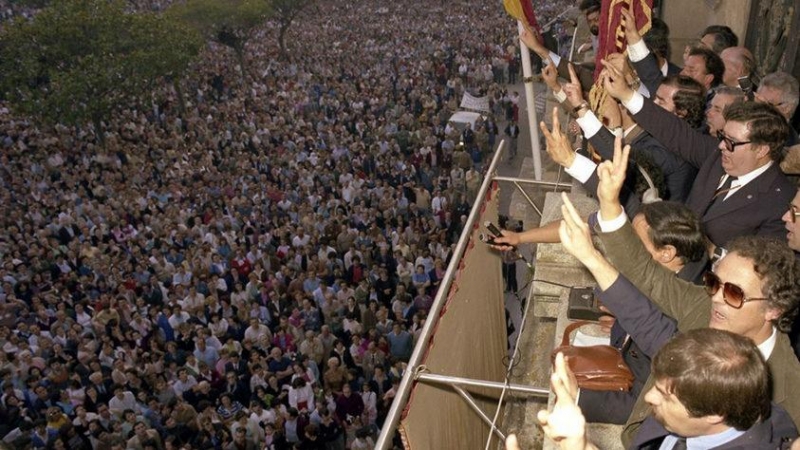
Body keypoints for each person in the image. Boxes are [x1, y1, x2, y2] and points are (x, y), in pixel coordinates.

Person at [560, 135, 800, 446]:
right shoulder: (706, 307)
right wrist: (609, 204)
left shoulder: (787, 390)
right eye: (714, 283)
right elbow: (648, 277)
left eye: (734, 294)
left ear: (773, 309)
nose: (714, 296)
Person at [602, 60, 796, 253]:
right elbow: (675, 132)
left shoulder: (780, 201)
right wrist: (626, 95)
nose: (721, 146)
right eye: (722, 137)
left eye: (731, 142)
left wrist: (713, 251)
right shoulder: (716, 155)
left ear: (761, 149)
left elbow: (764, 270)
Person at [507, 330, 798, 450]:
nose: (648, 397)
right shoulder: (720, 412)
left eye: (664, 395)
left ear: (714, 415)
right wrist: (581, 442)